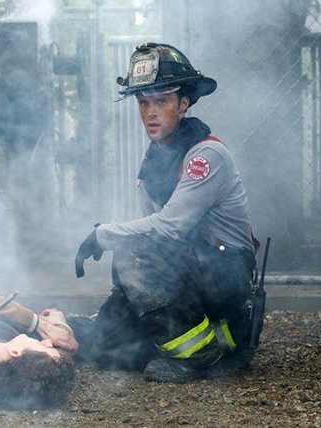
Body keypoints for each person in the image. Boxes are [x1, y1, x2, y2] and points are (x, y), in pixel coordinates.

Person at [75, 42, 259, 383]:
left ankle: (200, 355)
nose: (150, 112)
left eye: (162, 101)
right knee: (108, 348)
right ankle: (203, 337)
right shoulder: (156, 160)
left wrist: (103, 234)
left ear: (183, 104)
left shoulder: (206, 156)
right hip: (191, 275)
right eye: (144, 103)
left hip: (224, 275)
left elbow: (168, 228)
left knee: (134, 252)